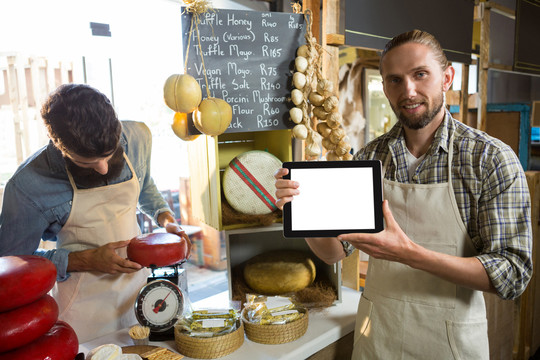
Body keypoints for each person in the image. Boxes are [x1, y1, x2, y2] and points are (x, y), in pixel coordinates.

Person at [274, 30, 533, 359]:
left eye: (420, 74)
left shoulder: (490, 159)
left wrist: (409, 253)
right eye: (395, 80)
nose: (408, 91)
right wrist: (298, 209)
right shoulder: (369, 158)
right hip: (378, 338)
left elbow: (512, 274)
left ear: (447, 77)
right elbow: (335, 252)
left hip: (451, 344)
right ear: (384, 87)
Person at [0, 83, 190, 342]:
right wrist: (84, 260)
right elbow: (12, 264)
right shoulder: (28, 186)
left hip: (139, 296)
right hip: (83, 311)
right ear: (60, 146)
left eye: (109, 155)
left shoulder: (137, 136)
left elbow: (144, 186)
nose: (102, 168)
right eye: (86, 162)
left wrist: (165, 218)